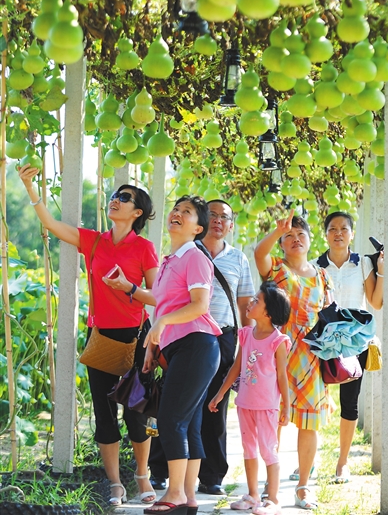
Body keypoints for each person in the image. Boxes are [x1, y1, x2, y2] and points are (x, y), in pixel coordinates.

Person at [18, 164, 159, 507]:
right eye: (114, 196)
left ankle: (141, 474)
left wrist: (129, 288)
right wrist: (29, 187)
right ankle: (114, 483)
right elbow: (50, 224)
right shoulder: (93, 241)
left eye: (124, 198)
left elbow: (159, 297)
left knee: (136, 412)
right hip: (101, 337)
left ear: (137, 212)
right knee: (104, 411)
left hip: (136, 338)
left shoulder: (143, 249)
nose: (115, 200)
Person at [149, 199, 255, 495]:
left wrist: (247, 345)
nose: (218, 220)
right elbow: (162, 299)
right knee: (177, 407)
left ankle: (210, 477)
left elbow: (244, 303)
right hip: (182, 337)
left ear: (231, 225)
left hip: (218, 335)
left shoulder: (236, 259)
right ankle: (163, 474)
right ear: (203, 224)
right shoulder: (181, 255)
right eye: (213, 215)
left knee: (212, 407)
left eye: (225, 217)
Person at [142, 196, 221, 515]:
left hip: (197, 345)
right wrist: (153, 344)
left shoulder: (195, 257)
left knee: (172, 419)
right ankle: (188, 498)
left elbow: (199, 305)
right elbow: (164, 304)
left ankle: (173, 493)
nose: (177, 213)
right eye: (176, 209)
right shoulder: (170, 261)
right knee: (187, 423)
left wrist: (161, 322)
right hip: (181, 349)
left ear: (197, 228)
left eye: (186, 212)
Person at [254, 210, 333, 511]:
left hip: (312, 358)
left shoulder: (322, 275)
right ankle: (269, 487)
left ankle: (303, 487)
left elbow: (328, 314)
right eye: (289, 236)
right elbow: (258, 252)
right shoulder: (275, 268)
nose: (295, 239)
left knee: (309, 423)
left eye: (301, 235)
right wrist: (277, 230)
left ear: (310, 240)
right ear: (282, 244)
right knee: (274, 419)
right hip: (278, 354)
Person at [312, 211, 384, 484]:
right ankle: (310, 460)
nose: (338, 233)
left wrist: (383, 271)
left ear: (351, 234)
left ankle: (343, 463)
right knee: (314, 400)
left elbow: (375, 303)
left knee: (349, 403)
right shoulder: (315, 266)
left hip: (355, 341)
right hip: (323, 341)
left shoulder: (364, 264)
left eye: (344, 228)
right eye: (333, 228)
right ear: (326, 233)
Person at [209, 281, 291, 515]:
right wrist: (220, 393)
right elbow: (236, 367)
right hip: (245, 404)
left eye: (256, 300)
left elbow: (282, 376)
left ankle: (273, 499)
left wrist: (285, 405)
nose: (250, 303)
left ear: (268, 312)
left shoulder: (278, 341)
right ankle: (253, 495)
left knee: (268, 450)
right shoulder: (245, 335)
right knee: (249, 450)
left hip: (267, 407)